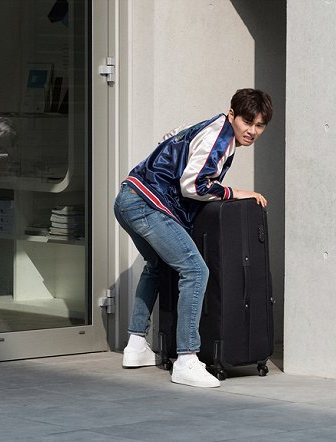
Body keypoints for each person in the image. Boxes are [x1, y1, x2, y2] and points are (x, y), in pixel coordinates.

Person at [114, 88, 273, 388]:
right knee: (196, 270)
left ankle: (136, 346)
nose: (252, 131)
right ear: (232, 115)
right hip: (148, 205)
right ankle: (187, 359)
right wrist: (236, 192)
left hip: (128, 198)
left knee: (157, 265)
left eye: (260, 125)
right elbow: (193, 185)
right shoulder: (219, 137)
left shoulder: (211, 129)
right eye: (247, 122)